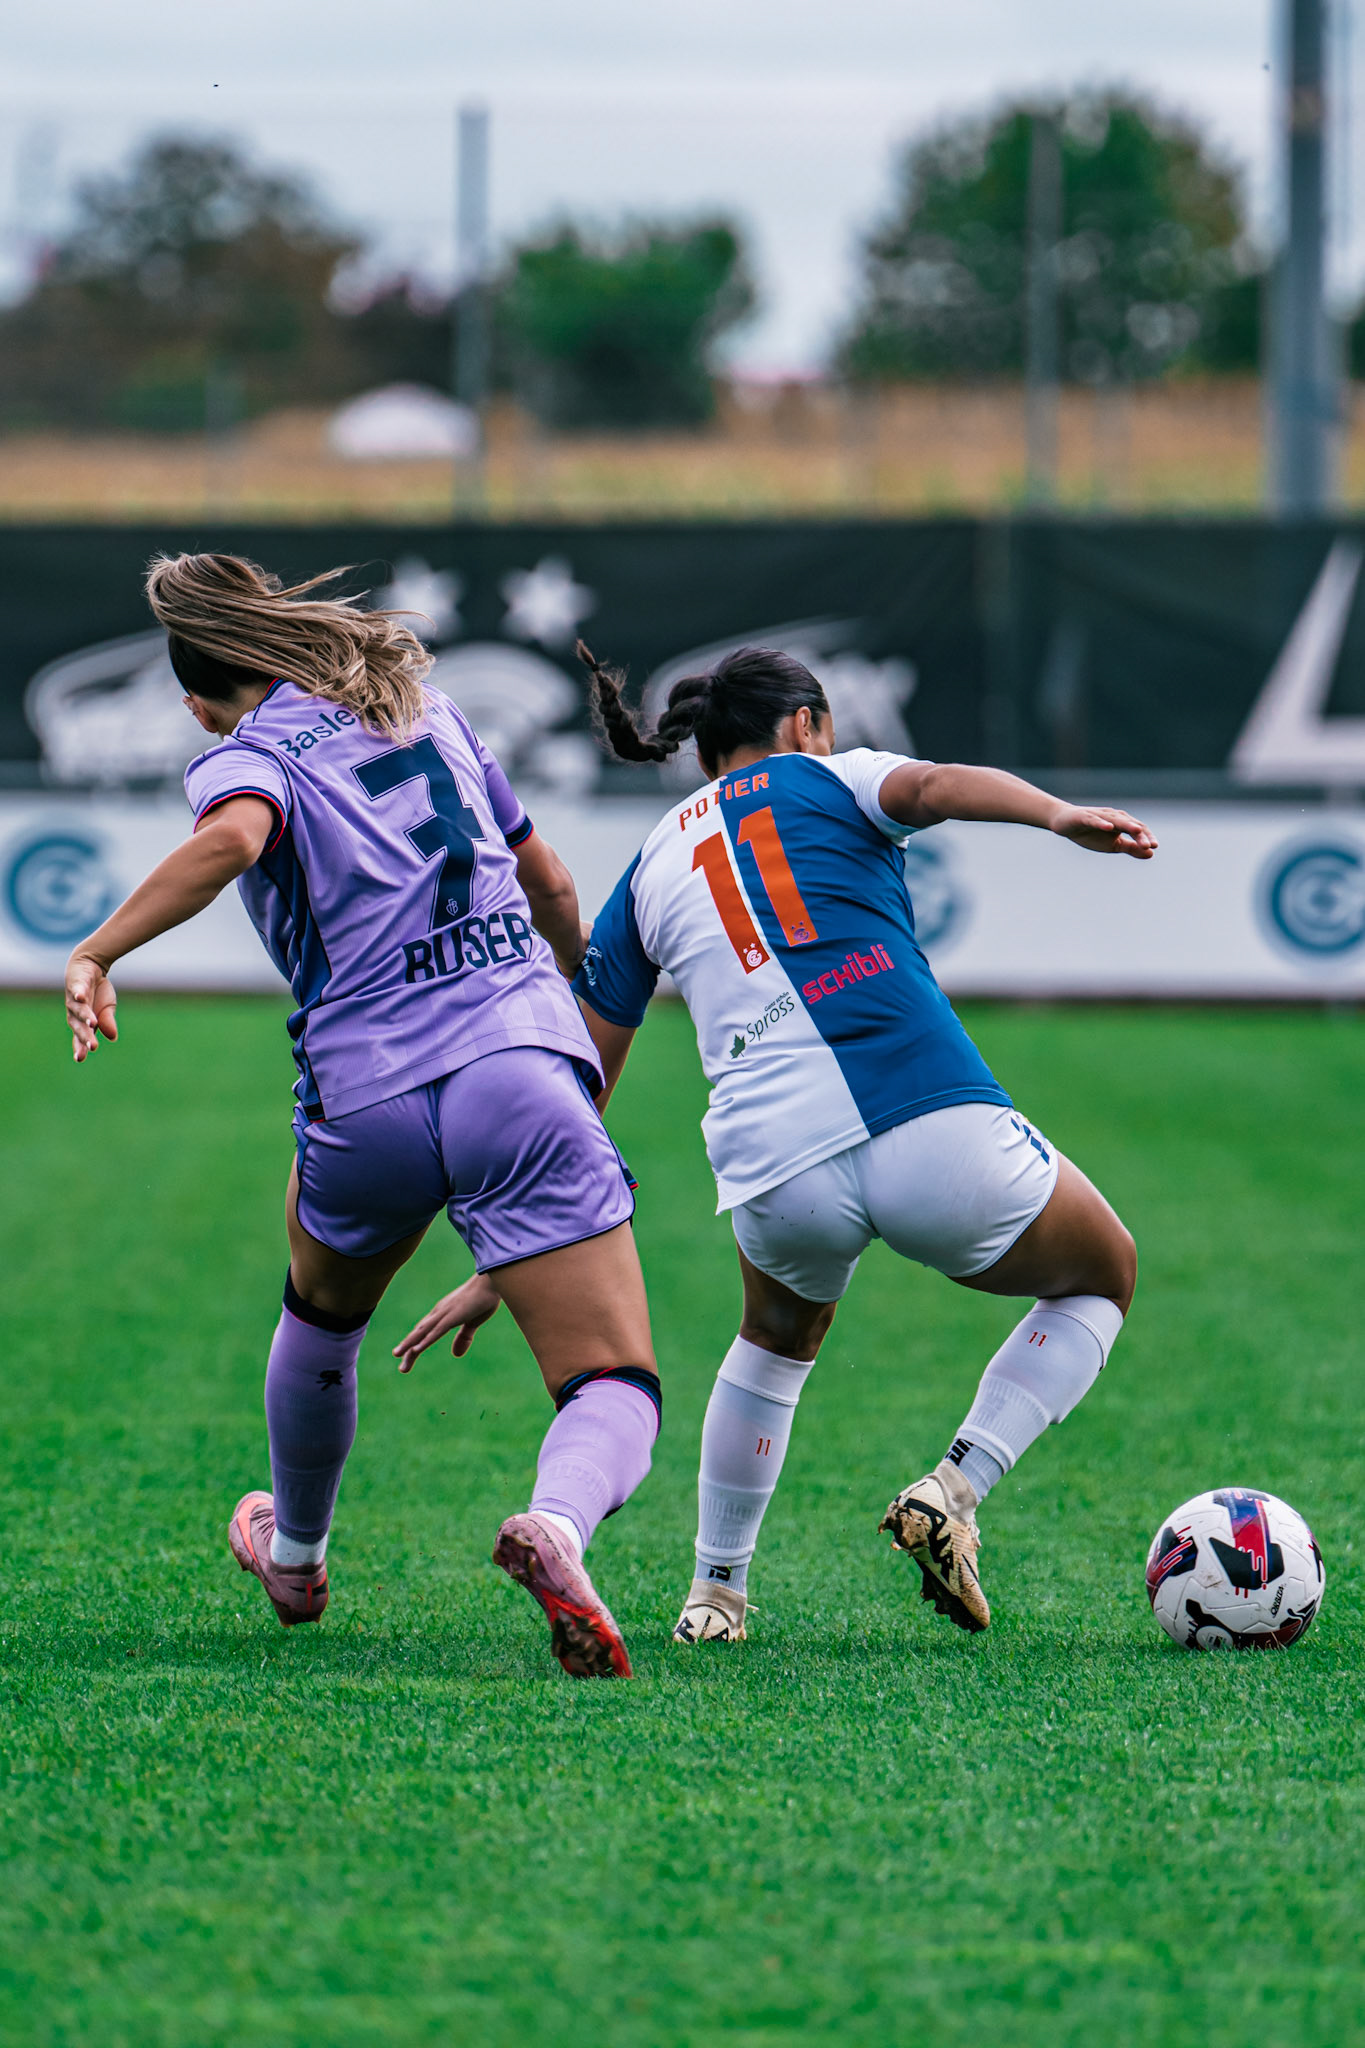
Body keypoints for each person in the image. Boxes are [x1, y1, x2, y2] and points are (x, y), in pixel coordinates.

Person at [404, 641, 1154, 1647]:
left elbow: (579, 1078)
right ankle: (955, 1487)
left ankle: (715, 1594)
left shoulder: (651, 864)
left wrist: (515, 1255)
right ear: (803, 723)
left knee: (773, 1345)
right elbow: (933, 785)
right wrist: (1057, 813)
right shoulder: (827, 777)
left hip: (774, 1163)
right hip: (926, 1115)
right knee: (1104, 1271)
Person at [63, 553, 661, 1681]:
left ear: (197, 698)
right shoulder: (429, 711)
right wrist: (564, 1023)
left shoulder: (244, 756)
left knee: (322, 1316)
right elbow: (558, 892)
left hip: (366, 1097)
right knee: (611, 1378)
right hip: (515, 1069)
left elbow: (236, 836)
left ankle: (295, 1556)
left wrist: (99, 949)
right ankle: (558, 1526)